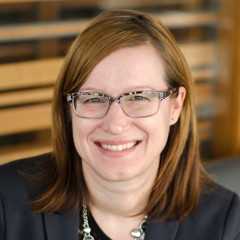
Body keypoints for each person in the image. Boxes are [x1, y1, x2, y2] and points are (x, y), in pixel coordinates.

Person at [0, 9, 240, 240]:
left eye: (138, 97)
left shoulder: (226, 224)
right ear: (69, 108)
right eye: (93, 98)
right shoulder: (5, 201)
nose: (115, 125)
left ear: (175, 107)